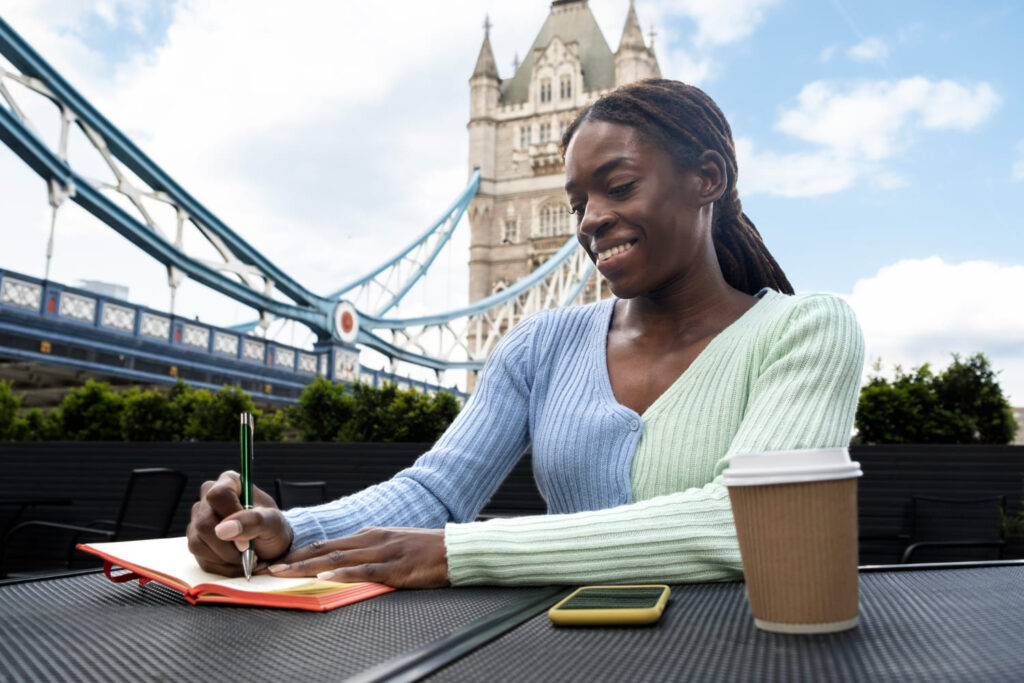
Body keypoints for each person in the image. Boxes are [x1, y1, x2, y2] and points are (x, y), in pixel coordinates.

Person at [187, 79, 864, 588]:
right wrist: (285, 530)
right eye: (577, 203)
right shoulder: (541, 345)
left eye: (619, 186)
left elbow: (753, 524)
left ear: (706, 178)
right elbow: (436, 493)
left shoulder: (805, 329)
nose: (591, 220)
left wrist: (465, 552)